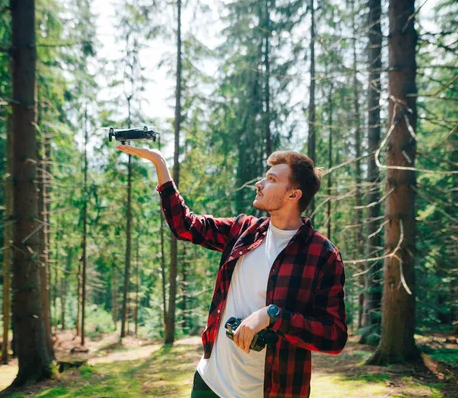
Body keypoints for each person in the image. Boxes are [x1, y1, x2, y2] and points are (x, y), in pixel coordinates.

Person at [117, 145, 348, 398]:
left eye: (271, 179)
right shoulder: (243, 231)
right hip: (210, 382)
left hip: (271, 391)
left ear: (294, 195)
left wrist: (273, 316)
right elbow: (185, 226)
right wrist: (159, 162)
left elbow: (334, 336)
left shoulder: (322, 255)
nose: (259, 184)